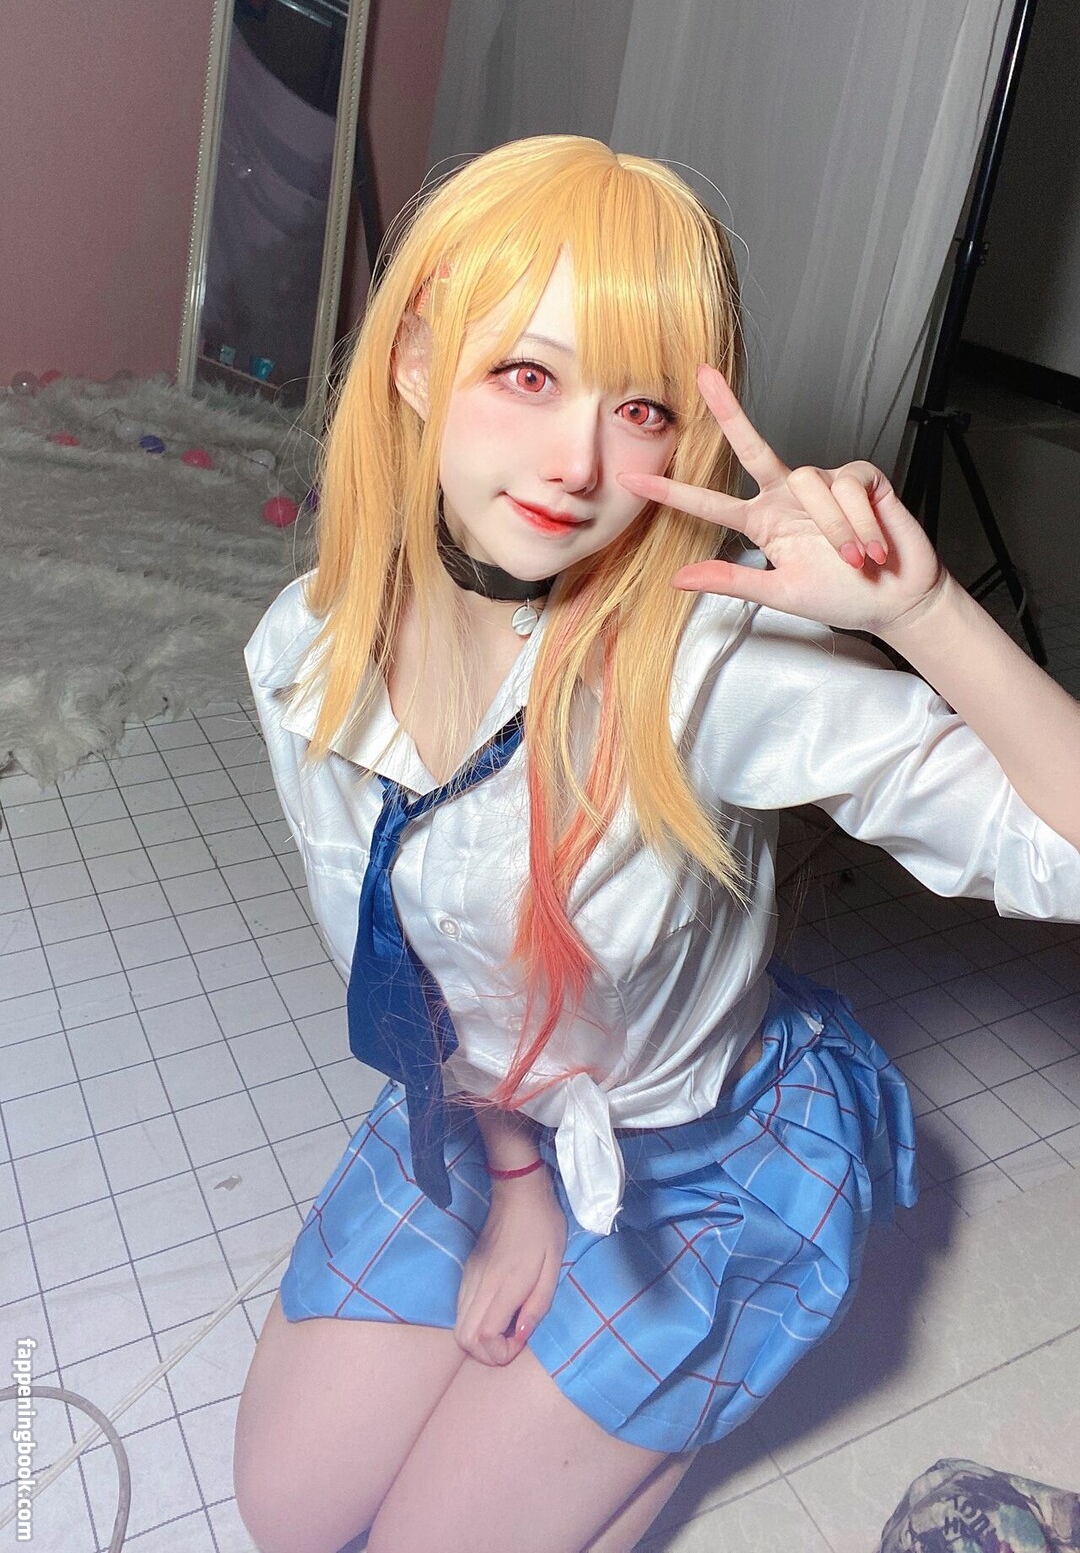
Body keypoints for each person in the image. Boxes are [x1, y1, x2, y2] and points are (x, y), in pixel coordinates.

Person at [233, 135, 1080, 1553]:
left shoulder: (706, 663)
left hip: (700, 1153)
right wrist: (516, 1189)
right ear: (417, 359)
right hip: (492, 1121)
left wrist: (923, 616)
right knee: (290, 1510)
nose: (577, 463)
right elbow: (427, 982)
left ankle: (652, 1429)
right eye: (527, 375)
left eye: (637, 408)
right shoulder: (304, 659)